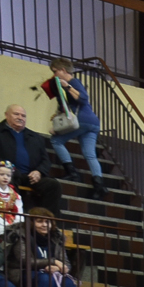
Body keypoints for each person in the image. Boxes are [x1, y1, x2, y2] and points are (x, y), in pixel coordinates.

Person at [0, 105, 63, 216]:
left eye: (23, 116)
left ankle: (47, 221)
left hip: (29, 176)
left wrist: (39, 172)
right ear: (6, 115)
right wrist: (7, 167)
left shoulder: (35, 137)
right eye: (16, 114)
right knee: (8, 179)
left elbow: (45, 160)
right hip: (6, 174)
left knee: (53, 185)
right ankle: (12, 219)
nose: (20, 117)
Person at [38, 59, 104, 199]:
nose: (54, 75)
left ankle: (72, 173)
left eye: (55, 71)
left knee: (56, 140)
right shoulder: (67, 84)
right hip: (92, 122)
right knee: (90, 154)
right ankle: (99, 185)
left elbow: (83, 98)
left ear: (63, 70)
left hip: (82, 120)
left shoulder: (73, 82)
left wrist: (67, 86)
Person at [3, 209, 77, 287]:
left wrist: (57, 267)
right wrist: (52, 261)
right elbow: (25, 261)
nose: (44, 225)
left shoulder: (55, 238)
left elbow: (66, 264)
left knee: (69, 284)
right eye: (40, 221)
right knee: (46, 279)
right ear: (31, 222)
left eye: (48, 222)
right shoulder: (21, 235)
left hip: (51, 274)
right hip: (23, 272)